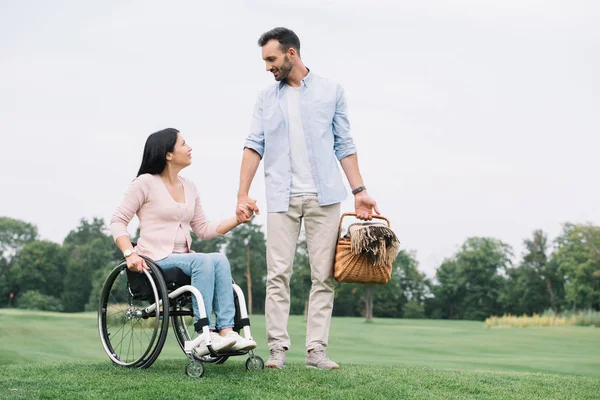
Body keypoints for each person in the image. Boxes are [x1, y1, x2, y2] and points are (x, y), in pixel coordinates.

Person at [236, 27, 380, 370]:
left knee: (323, 277)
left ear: (291, 54)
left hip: (325, 196)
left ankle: (316, 351)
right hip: (281, 198)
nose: (268, 67)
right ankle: (277, 350)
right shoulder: (265, 99)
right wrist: (243, 192)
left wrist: (360, 192)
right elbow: (253, 145)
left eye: (271, 59)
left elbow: (344, 144)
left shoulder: (331, 91)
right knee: (277, 275)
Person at [110, 128, 256, 356]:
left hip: (185, 257)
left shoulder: (189, 186)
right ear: (168, 154)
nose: (189, 148)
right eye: (183, 144)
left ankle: (227, 331)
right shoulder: (144, 183)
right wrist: (130, 253)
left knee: (219, 258)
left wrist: (238, 219)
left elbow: (203, 229)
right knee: (202, 261)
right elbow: (118, 221)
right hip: (155, 259)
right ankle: (203, 332)